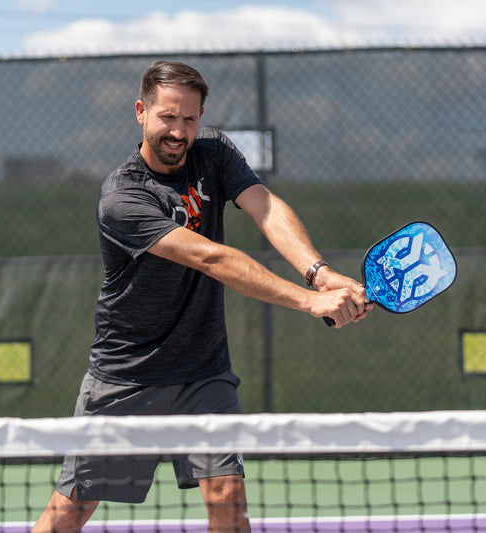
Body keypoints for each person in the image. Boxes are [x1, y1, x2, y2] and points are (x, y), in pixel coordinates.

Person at [32, 59, 373, 533]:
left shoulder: (213, 151)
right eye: (168, 117)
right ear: (141, 112)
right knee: (71, 511)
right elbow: (212, 259)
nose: (179, 130)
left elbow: (264, 206)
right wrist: (311, 302)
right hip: (128, 376)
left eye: (189, 119)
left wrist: (320, 274)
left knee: (228, 498)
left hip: (203, 370)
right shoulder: (123, 197)